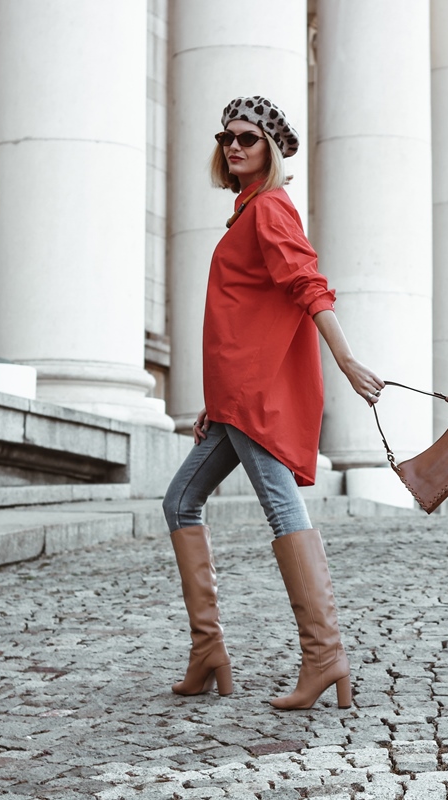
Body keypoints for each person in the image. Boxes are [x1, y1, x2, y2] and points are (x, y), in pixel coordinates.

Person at [162, 95, 383, 711]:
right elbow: (239, 320)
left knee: (282, 509)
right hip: (233, 398)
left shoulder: (269, 209)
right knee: (180, 501)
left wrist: (344, 358)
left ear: (272, 149)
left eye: (248, 138)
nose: (234, 146)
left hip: (254, 398)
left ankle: (324, 653)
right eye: (226, 136)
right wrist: (214, 400)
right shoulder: (245, 213)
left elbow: (307, 283)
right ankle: (208, 651)